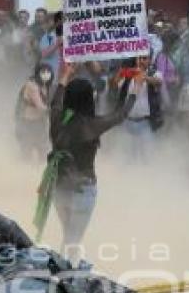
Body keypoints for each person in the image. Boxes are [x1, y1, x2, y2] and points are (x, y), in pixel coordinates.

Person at [41, 63, 136, 256]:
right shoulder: (92, 125)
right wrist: (135, 90)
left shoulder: (57, 118)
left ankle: (64, 272)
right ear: (87, 100)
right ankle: (65, 276)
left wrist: (64, 76)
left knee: (68, 235)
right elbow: (121, 114)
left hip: (59, 187)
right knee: (72, 241)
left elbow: (55, 102)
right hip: (82, 191)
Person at [118, 52, 164, 164]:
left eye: (144, 58)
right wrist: (124, 73)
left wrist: (144, 77)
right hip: (128, 122)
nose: (141, 61)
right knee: (127, 158)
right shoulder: (128, 74)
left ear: (150, 60)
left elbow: (158, 82)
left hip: (145, 123)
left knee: (147, 157)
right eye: (138, 58)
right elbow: (117, 85)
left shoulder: (155, 73)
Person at [15, 63, 54, 160]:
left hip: (40, 123)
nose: (46, 74)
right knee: (26, 155)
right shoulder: (32, 85)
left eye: (48, 72)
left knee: (43, 154)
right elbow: (40, 106)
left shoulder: (46, 86)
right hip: (27, 123)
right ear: (37, 73)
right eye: (43, 72)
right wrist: (55, 111)